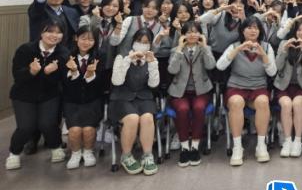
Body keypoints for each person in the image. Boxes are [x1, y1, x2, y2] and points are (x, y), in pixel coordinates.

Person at [6, 21, 69, 170]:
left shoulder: (64, 53)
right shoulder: (25, 49)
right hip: (23, 95)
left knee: (48, 124)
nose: (54, 35)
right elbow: (17, 76)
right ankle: (14, 153)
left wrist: (48, 73)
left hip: (49, 95)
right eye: (50, 31)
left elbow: (62, 81)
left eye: (58, 32)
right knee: (26, 127)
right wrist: (31, 72)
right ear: (41, 33)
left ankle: (56, 147)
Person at [216, 15, 277, 166]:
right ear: (242, 31)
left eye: (256, 28)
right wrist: (237, 50)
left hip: (258, 87)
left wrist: (263, 55)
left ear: (260, 31)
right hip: (237, 86)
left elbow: (272, 72)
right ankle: (237, 147)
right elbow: (220, 66)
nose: (252, 31)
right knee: (236, 102)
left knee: (263, 102)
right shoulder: (234, 46)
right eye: (249, 28)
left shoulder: (266, 47)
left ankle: (261, 145)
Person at [109, 28, 160, 176]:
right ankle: (126, 155)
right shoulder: (121, 57)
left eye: (146, 42)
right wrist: (128, 60)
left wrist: (152, 64)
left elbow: (153, 84)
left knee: (147, 118)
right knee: (132, 118)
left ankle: (147, 155)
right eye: (139, 41)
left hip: (144, 97)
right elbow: (117, 81)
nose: (142, 45)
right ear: (133, 42)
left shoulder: (151, 59)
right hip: (122, 97)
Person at [167, 21, 216, 167]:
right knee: (182, 109)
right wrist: (179, 49)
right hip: (179, 92)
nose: (192, 35)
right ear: (183, 35)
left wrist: (205, 47)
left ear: (200, 34)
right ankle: (184, 147)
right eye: (188, 32)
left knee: (199, 108)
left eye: (195, 31)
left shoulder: (205, 49)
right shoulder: (176, 50)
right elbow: (172, 70)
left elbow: (211, 66)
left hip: (200, 91)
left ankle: (194, 146)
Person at [63, 27, 105, 169]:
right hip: (71, 100)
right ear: (76, 38)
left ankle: (88, 152)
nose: (86, 42)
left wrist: (91, 76)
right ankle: (75, 153)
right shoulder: (67, 56)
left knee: (88, 129)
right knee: (75, 130)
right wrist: (74, 71)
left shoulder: (100, 56)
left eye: (90, 39)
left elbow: (102, 84)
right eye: (83, 38)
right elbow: (64, 84)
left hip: (93, 100)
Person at [275, 19, 302, 158]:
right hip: (283, 85)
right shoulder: (283, 43)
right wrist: (285, 50)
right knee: (286, 105)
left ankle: (297, 141)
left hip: (301, 86)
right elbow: (277, 66)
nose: (301, 33)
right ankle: (287, 141)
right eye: (299, 30)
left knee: (297, 104)